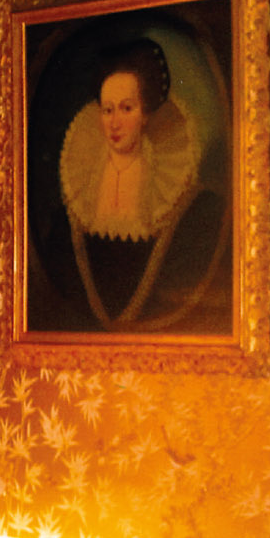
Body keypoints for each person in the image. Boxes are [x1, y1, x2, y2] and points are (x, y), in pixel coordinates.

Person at [57, 38, 219, 328]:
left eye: (126, 108)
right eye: (108, 110)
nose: (114, 123)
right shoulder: (79, 190)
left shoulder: (176, 193)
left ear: (145, 114)